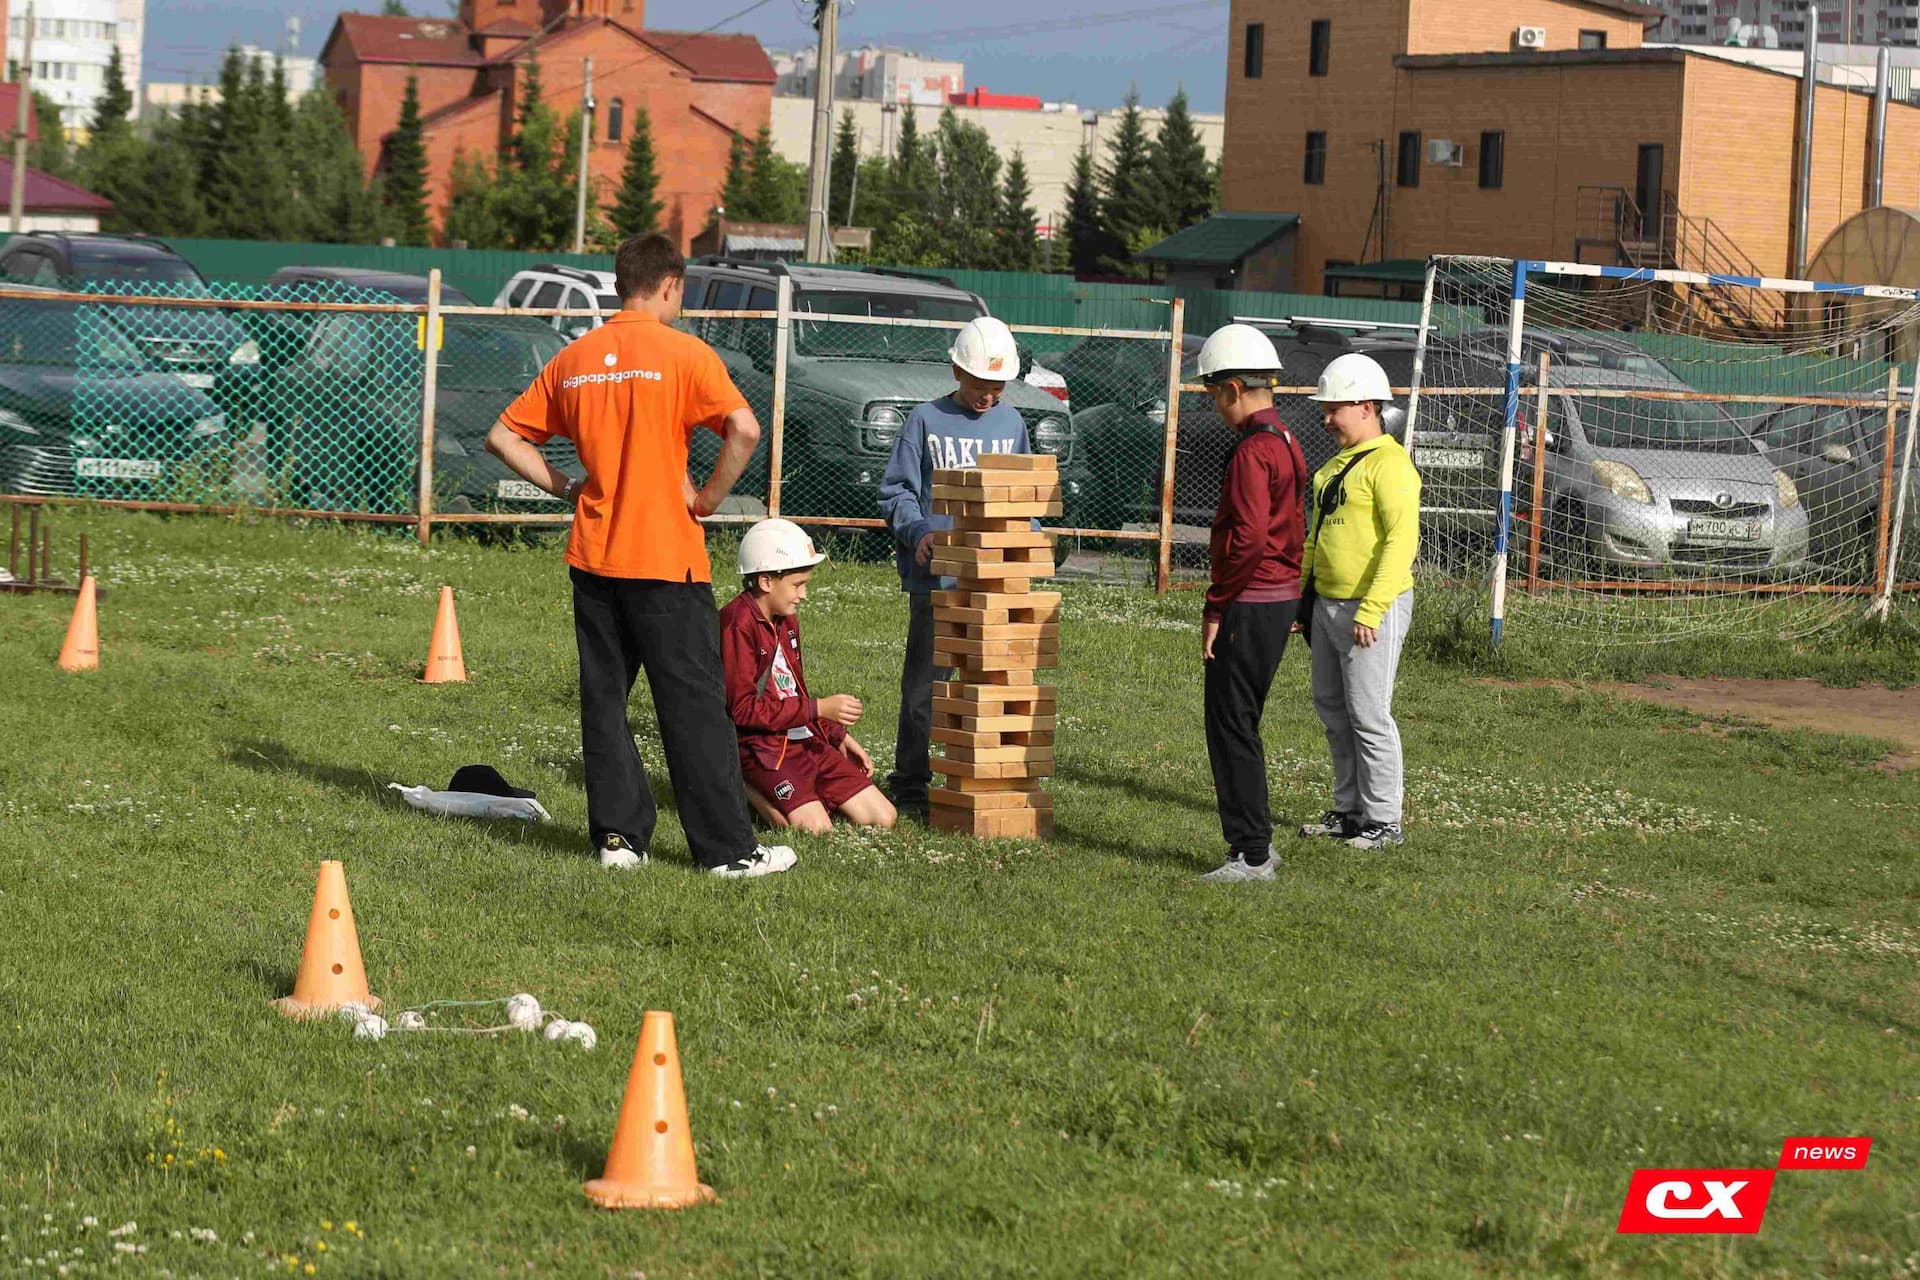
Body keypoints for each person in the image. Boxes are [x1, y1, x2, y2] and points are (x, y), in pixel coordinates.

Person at [485, 233, 797, 879]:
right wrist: (710, 497)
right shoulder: (684, 353)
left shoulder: (577, 357)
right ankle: (727, 852)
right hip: (666, 561)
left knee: (606, 702)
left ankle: (620, 841)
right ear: (670, 285)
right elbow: (745, 429)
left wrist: (565, 487)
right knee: (693, 709)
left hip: (596, 557)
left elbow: (502, 435)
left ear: (620, 282)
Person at [877, 315, 1036, 821]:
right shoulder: (924, 420)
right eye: (980, 384)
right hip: (938, 581)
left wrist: (1026, 545)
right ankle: (910, 782)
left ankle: (974, 775)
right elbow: (897, 490)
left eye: (997, 386)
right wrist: (919, 531)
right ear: (955, 371)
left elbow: (1024, 496)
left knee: (987, 686)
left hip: (992, 584)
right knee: (925, 687)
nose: (988, 396)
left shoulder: (1012, 426)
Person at [1192, 324, 1310, 883]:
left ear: (1235, 388)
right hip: (1279, 599)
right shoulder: (1289, 442)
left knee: (1231, 723)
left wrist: (1216, 607)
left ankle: (1251, 853)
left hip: (1250, 601)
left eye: (1215, 395)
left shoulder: (1251, 451)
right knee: (1245, 721)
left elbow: (1249, 538)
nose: (1216, 407)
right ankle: (1256, 845)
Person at [1298, 352, 1421, 851]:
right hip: (1327, 604)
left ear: (1367, 407)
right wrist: (1300, 600)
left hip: (1371, 609)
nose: (1326, 419)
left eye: (1335, 409)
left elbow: (1401, 542)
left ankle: (1384, 820)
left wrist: (1371, 609)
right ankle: (1350, 811)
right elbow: (1315, 538)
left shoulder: (1391, 465)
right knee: (1332, 709)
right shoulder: (1332, 468)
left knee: (1369, 714)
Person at [719, 519, 897, 836]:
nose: (804, 595)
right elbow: (742, 709)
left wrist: (837, 734)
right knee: (815, 831)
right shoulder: (737, 623)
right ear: (766, 581)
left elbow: (794, 691)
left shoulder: (787, 621)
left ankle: (812, 794)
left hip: (804, 739)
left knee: (883, 817)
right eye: (798, 584)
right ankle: (744, 784)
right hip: (762, 749)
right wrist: (819, 709)